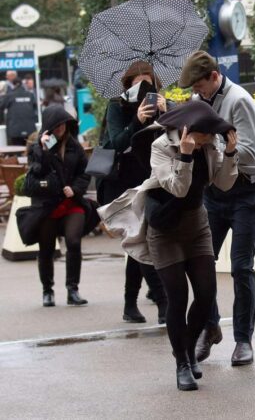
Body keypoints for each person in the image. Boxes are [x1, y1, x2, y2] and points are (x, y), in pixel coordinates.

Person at [99, 100, 238, 391]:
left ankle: (187, 350)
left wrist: (231, 152)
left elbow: (223, 184)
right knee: (177, 297)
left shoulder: (210, 144)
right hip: (164, 229)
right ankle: (182, 364)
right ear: (190, 131)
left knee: (206, 294)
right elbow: (178, 188)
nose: (210, 139)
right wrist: (186, 157)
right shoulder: (162, 146)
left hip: (196, 225)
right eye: (206, 135)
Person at [178, 51, 255, 366]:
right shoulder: (201, 100)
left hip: (247, 191)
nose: (196, 92)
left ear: (215, 76)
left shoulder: (240, 100)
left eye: (199, 85)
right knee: (200, 261)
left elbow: (247, 149)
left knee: (241, 266)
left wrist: (213, 144)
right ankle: (211, 326)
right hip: (216, 191)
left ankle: (243, 340)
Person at [96, 60, 169, 324]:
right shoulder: (117, 106)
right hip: (121, 182)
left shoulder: (160, 104)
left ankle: (129, 305)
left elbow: (168, 138)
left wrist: (165, 111)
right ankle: (163, 302)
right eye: (137, 84)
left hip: (148, 179)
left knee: (138, 242)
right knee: (142, 239)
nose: (142, 90)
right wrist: (136, 120)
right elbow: (115, 143)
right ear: (128, 84)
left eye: (147, 84)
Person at [27, 105, 96, 307]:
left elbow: (85, 173)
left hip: (71, 203)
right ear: (48, 126)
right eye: (56, 125)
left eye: (63, 124)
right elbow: (37, 172)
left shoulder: (75, 146)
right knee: (47, 248)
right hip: (47, 204)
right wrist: (42, 149)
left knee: (74, 242)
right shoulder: (37, 147)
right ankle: (47, 290)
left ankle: (72, 289)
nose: (60, 128)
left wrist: (74, 189)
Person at [0, 77, 37, 145]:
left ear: (13, 85)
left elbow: (1, 106)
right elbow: (35, 107)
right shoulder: (30, 95)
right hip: (30, 129)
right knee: (29, 150)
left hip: (14, 130)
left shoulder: (9, 95)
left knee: (16, 151)